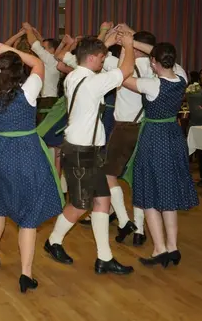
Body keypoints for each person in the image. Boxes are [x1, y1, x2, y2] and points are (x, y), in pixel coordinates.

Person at [44, 34, 135, 275]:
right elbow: (126, 70)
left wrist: (106, 43)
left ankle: (104, 258)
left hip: (86, 150)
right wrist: (128, 45)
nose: (104, 62)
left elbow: (90, 59)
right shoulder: (93, 82)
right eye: (102, 58)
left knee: (102, 200)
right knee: (79, 204)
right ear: (92, 58)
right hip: (81, 151)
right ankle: (53, 241)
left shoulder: (74, 76)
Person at [0, 44, 63, 293]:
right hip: (26, 152)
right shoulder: (28, 91)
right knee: (29, 214)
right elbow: (38, 63)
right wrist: (8, 48)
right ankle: (26, 273)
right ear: (18, 71)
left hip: (0, 151)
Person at [121, 42, 198, 267]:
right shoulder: (182, 77)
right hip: (174, 137)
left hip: (154, 138)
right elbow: (160, 53)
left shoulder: (152, 85)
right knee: (168, 193)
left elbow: (123, 77)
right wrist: (136, 42)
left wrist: (128, 47)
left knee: (149, 194)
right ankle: (173, 247)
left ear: (153, 63)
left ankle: (159, 249)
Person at [101, 30, 158, 246]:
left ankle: (125, 220)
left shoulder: (121, 66)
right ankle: (140, 230)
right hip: (146, 128)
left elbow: (97, 54)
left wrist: (110, 35)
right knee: (138, 178)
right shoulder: (157, 68)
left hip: (125, 127)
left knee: (108, 174)